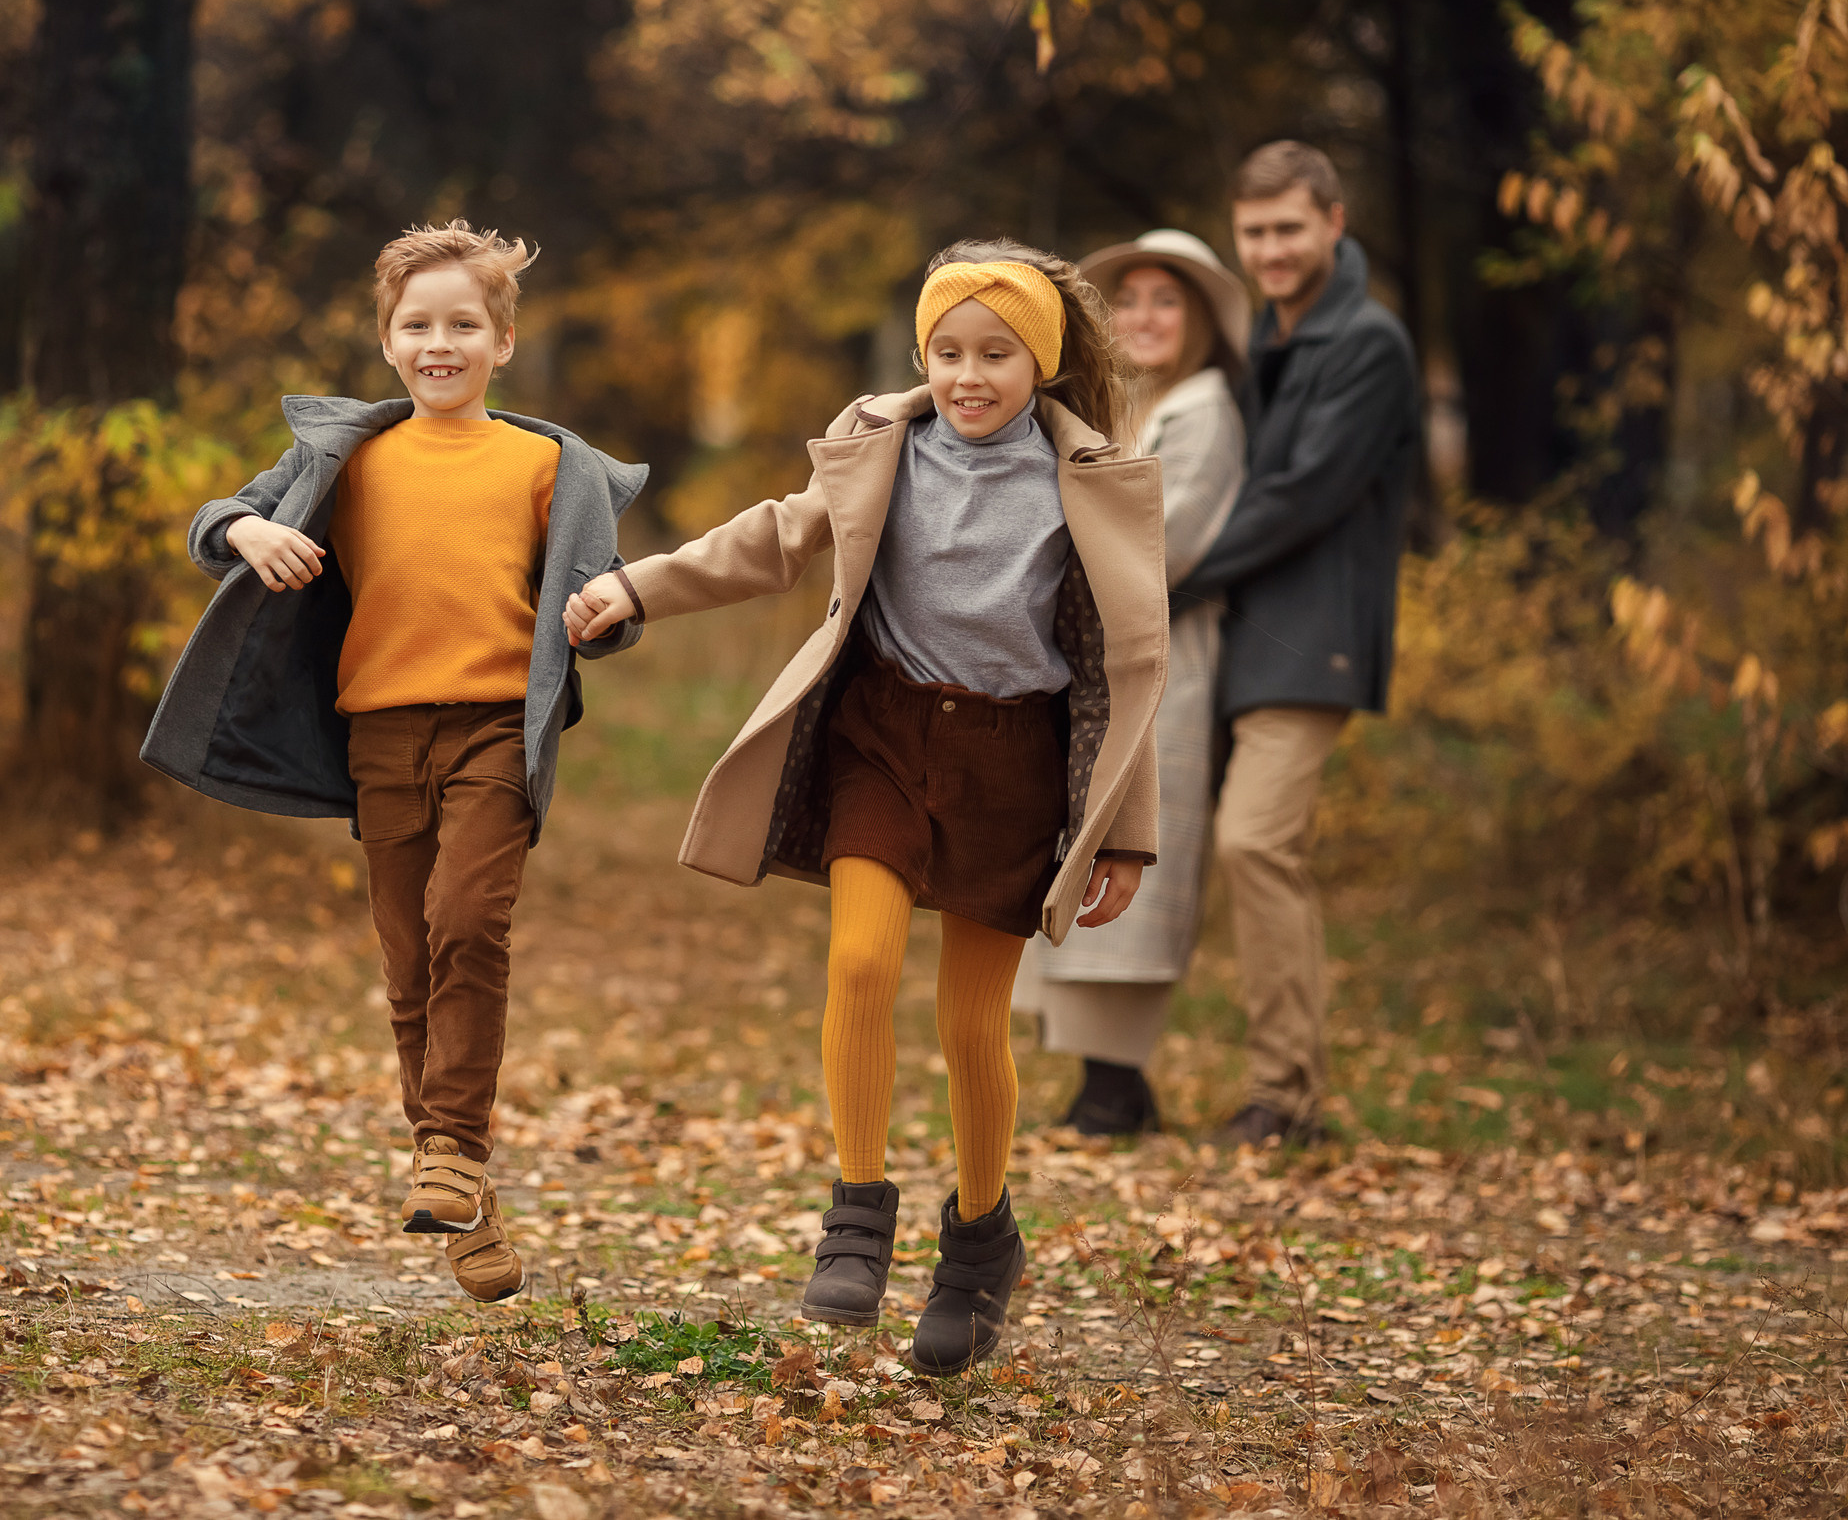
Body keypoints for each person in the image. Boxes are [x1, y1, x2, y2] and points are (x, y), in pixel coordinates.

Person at [564, 240, 1166, 1377]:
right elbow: (772, 539)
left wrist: (1123, 831)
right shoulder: (883, 450)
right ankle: (856, 1214)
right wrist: (633, 582)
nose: (968, 376)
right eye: (947, 352)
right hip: (882, 741)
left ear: (1037, 364)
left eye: (995, 354)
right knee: (858, 967)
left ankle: (982, 1243)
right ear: (921, 356)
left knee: (972, 1024)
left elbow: (1124, 666)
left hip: (1013, 766)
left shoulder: (1088, 486)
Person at [141, 220, 648, 1301]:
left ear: (502, 342)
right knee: (409, 962)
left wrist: (603, 616)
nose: (440, 344)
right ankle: (462, 1191)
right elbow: (210, 518)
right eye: (417, 325)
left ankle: (453, 1149)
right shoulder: (349, 454)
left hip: (495, 729)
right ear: (386, 342)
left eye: (464, 324)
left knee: (468, 922)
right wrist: (248, 535)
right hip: (377, 732)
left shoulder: (550, 464)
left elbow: (609, 599)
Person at [1179, 141, 1420, 1148]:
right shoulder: (1265, 338)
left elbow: (1296, 500)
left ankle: (1285, 1095)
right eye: (1253, 232)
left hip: (1310, 631)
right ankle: (1133, 1074)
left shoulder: (1367, 344)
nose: (1270, 249)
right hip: (1237, 631)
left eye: (1288, 228)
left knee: (1255, 841)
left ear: (1333, 221)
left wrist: (1168, 578)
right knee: (1198, 841)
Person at [1023, 230, 1251, 1136]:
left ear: (1198, 318)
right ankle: (1107, 1080)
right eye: (1132, 300)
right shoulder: (1118, 406)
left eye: (1169, 299)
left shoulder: (1202, 409)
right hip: (1089, 658)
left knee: (1137, 852)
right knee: (1074, 842)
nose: (1145, 317)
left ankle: (1116, 1079)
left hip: (1157, 660)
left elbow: (1169, 545)